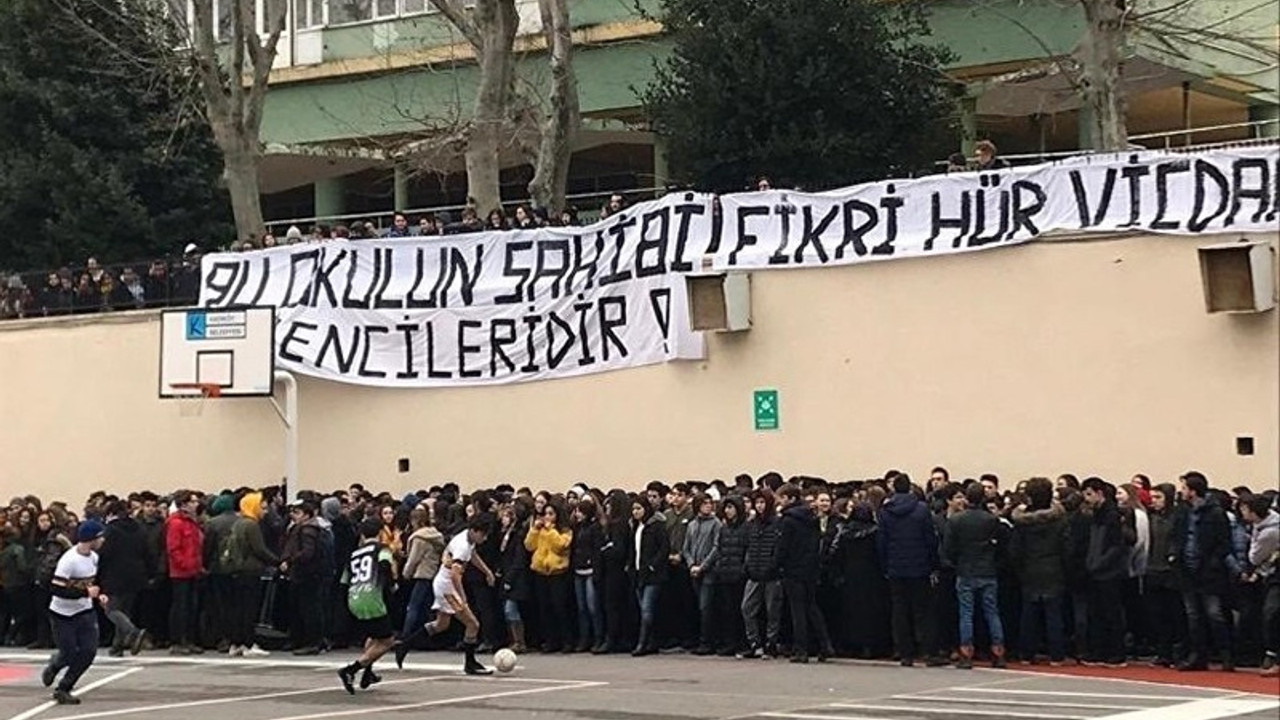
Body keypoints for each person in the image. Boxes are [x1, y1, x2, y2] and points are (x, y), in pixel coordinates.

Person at [394, 516, 495, 674]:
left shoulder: (467, 538)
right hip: (448, 588)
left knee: (441, 625)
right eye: (483, 535)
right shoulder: (462, 546)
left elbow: (473, 555)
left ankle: (405, 645)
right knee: (472, 624)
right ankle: (470, 663)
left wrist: (486, 571)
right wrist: (462, 598)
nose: (485, 538)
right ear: (475, 531)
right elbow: (455, 575)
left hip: (443, 583)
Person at [42, 521, 109, 705]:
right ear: (91, 539)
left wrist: (100, 594)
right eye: (100, 537)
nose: (103, 540)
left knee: (88, 652)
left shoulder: (94, 558)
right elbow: (57, 589)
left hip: (85, 611)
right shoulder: (69, 561)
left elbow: (94, 583)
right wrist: (84, 593)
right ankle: (54, 665)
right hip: (62, 613)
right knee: (69, 653)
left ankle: (64, 687)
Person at [945, 483, 1008, 669]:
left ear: (967, 498)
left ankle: (966, 652)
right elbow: (1001, 547)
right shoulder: (992, 520)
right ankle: (998, 651)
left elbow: (949, 548)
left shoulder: (956, 520)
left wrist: (957, 562)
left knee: (966, 613)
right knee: (992, 612)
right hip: (988, 569)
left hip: (965, 569)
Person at [337, 519, 398, 694]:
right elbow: (385, 566)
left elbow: (344, 581)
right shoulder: (382, 549)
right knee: (387, 640)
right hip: (372, 597)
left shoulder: (353, 554)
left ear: (362, 535)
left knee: (373, 636)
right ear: (380, 533)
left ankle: (368, 671)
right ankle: (352, 669)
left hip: (355, 597)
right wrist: (391, 585)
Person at [775, 483, 833, 664]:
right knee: (811, 607)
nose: (779, 502)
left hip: (793, 569)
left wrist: (776, 565)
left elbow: (783, 547)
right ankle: (825, 645)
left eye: (782, 499)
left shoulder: (788, 520)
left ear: (790, 499)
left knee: (797, 611)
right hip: (810, 568)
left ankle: (801, 649)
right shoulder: (812, 518)